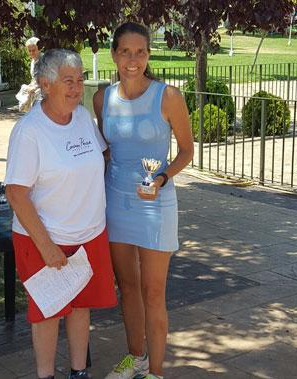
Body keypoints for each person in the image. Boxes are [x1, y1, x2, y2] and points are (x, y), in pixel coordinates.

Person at [5, 49, 117, 379]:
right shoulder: (30, 131)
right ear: (45, 84)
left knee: (81, 306)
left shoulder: (81, 116)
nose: (76, 88)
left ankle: (79, 371)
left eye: (79, 81)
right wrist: (47, 247)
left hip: (89, 234)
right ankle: (46, 375)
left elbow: (102, 154)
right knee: (48, 312)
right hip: (45, 239)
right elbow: (16, 193)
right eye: (68, 81)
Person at [93, 22, 194, 379]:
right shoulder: (102, 98)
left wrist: (163, 178)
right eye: (125, 52)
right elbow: (105, 153)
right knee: (128, 288)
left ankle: (155, 372)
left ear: (148, 55)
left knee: (154, 292)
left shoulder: (168, 97)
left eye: (140, 52)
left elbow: (186, 151)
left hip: (156, 205)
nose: (132, 59)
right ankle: (134, 358)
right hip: (116, 203)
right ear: (114, 54)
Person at [16, 36, 42, 112]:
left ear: (39, 49)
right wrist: (30, 86)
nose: (31, 53)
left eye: (33, 50)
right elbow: (34, 78)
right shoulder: (33, 61)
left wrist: (35, 87)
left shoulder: (43, 60)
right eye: (29, 50)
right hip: (36, 88)